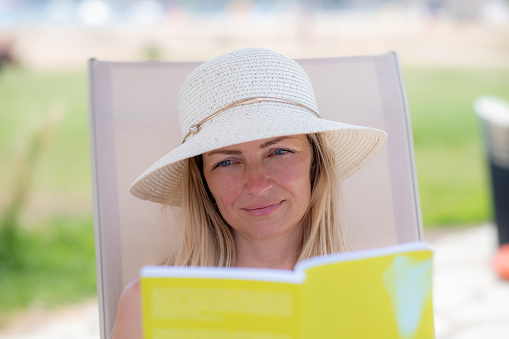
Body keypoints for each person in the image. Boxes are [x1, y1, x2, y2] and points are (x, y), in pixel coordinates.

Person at [112, 48, 387, 338]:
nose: (257, 184)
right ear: (204, 182)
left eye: (279, 152)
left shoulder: (372, 294)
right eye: (227, 162)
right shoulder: (149, 305)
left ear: (315, 164)